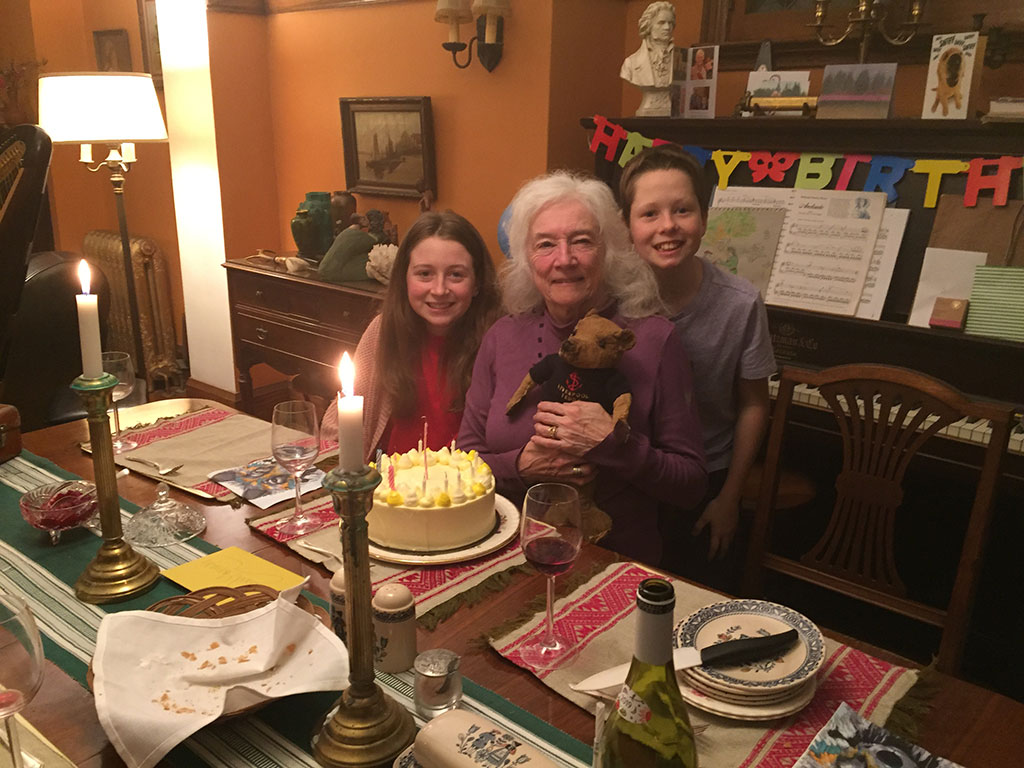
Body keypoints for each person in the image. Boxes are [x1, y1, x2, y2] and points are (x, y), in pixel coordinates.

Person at [458, 172, 707, 566]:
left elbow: (691, 484)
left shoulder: (656, 339)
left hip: (616, 560)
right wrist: (520, 464)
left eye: (582, 241)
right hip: (504, 551)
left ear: (609, 250)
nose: (564, 259)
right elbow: (466, 457)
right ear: (526, 258)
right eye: (545, 244)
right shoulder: (502, 336)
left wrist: (615, 444)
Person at [619, 144, 776, 590]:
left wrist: (731, 497)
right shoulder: (612, 298)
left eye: (682, 210)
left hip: (707, 479)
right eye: (649, 213)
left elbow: (753, 404)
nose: (668, 226)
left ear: (704, 220)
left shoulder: (740, 303)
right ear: (627, 226)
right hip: (631, 474)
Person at [323, 211, 501, 460]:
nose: (439, 290)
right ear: (404, 278)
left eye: (456, 275)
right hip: (392, 488)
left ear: (477, 283)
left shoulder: (499, 340)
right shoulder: (383, 332)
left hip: (467, 489)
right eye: (424, 274)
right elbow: (336, 426)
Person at [620, 1, 676, 116]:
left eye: (670, 23)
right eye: (661, 23)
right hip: (646, 108)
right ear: (648, 26)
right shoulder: (631, 63)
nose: (667, 27)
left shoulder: (682, 61)